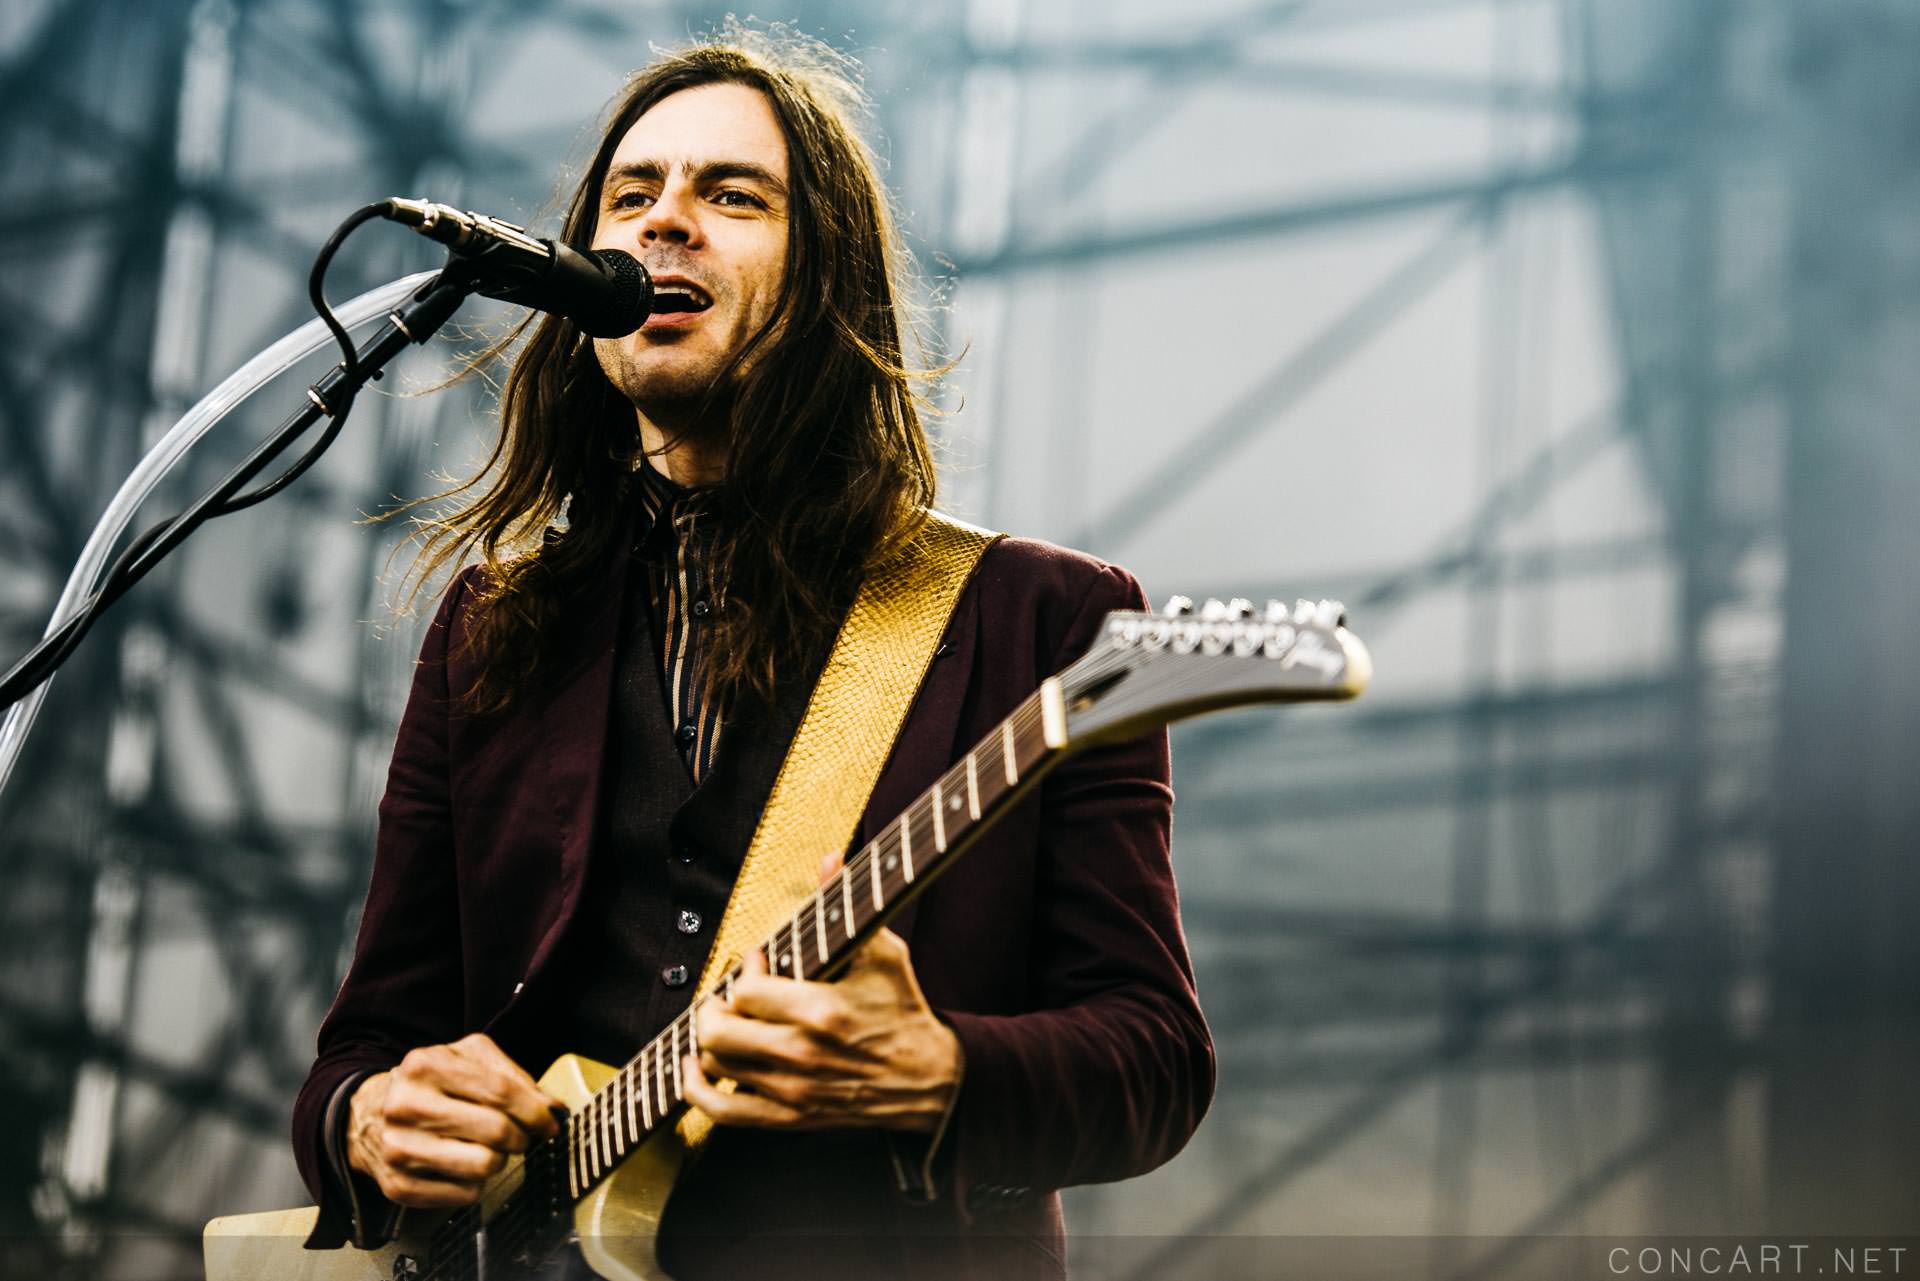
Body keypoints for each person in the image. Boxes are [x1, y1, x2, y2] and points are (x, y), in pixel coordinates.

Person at [292, 28, 1213, 1281]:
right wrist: (370, 1119)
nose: (665, 223)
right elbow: (367, 1046)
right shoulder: (494, 630)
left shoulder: (1036, 620)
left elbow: (1156, 1059)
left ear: (827, 282)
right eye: (633, 193)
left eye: (732, 196)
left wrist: (940, 1069)